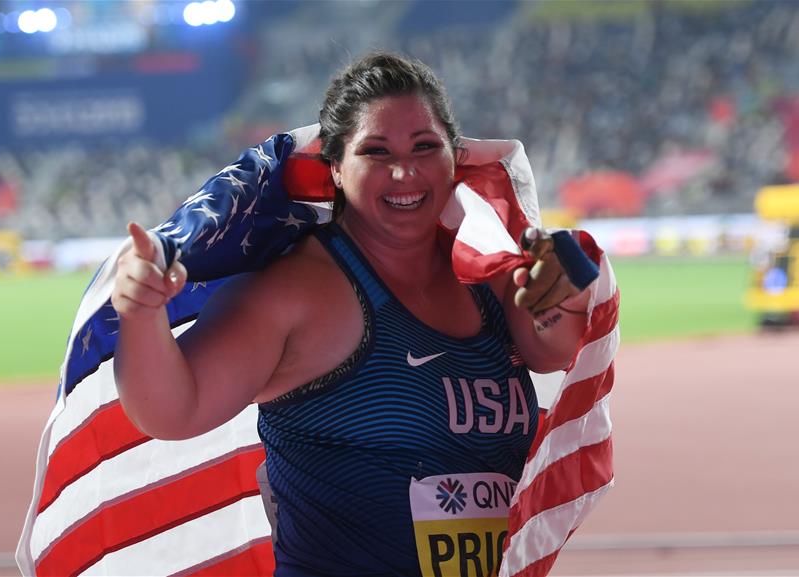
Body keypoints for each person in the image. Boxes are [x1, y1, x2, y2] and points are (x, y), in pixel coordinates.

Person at [111, 52, 593, 576]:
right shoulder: (301, 291)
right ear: (336, 168)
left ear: (456, 157)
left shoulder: (486, 272)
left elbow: (554, 349)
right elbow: (174, 410)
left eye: (425, 147)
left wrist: (560, 298)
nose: (404, 171)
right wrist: (141, 310)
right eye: (376, 151)